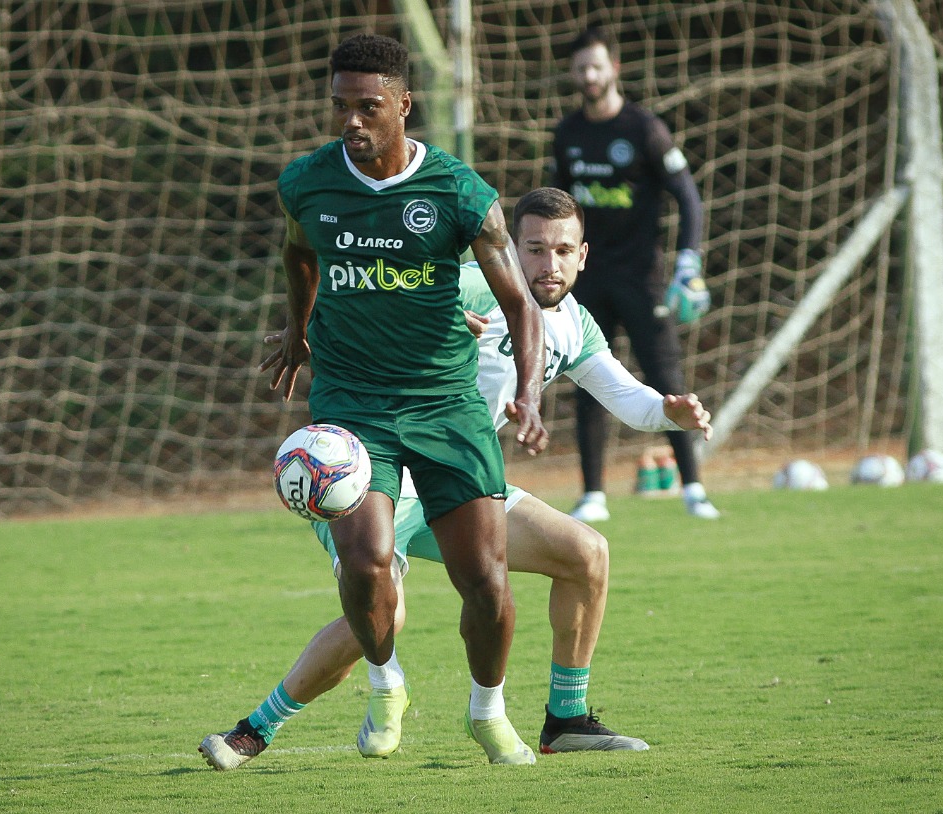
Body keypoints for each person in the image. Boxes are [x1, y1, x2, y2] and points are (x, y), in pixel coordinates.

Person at [200, 187, 714, 771]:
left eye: (563, 251)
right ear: (508, 248)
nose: (549, 264)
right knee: (381, 614)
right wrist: (314, 332)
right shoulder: (466, 284)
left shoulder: (575, 324)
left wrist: (667, 412)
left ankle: (566, 721)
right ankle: (255, 729)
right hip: (370, 474)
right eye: (535, 248)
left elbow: (626, 398)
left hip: (457, 483)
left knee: (586, 553)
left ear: (583, 256)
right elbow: (362, 311)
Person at [253, 33, 548, 766]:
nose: (351, 121)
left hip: (446, 401)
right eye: (340, 107)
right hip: (353, 400)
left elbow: (522, 305)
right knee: (367, 560)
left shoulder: (458, 193)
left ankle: (488, 711)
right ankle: (386, 684)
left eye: (368, 107)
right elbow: (297, 252)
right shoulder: (308, 183)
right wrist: (297, 334)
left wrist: (529, 392)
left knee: (483, 578)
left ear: (403, 106)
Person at [552, 27, 720, 523]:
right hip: (587, 279)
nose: (588, 75)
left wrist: (690, 260)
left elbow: (688, 197)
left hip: (643, 278)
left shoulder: (644, 128)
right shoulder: (567, 134)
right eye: (581, 67)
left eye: (596, 66)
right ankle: (593, 495)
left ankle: (693, 488)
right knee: (586, 380)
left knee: (666, 378)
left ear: (614, 69)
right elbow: (559, 208)